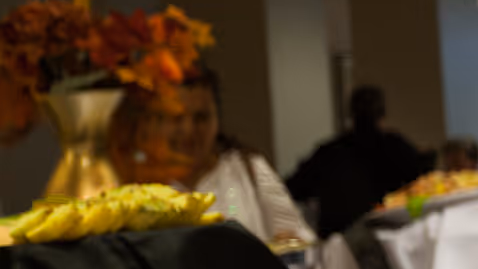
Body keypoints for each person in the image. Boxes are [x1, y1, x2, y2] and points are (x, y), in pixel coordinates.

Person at [112, 70, 315, 248]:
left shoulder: (248, 168)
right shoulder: (135, 185)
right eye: (176, 118)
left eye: (201, 118)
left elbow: (301, 240)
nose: (189, 130)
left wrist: (287, 246)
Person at [287, 86, 435, 235]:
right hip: (386, 239)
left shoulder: (328, 152)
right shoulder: (396, 147)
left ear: (351, 115)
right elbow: (423, 182)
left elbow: (293, 189)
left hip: (340, 244)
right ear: (382, 114)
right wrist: (428, 157)